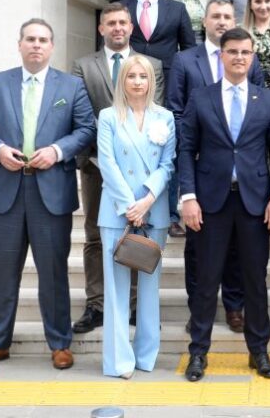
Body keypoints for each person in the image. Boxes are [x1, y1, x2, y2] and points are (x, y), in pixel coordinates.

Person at [0, 19, 96, 371]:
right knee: (3, 273)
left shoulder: (71, 86)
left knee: (53, 273)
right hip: (7, 191)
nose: (36, 45)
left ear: (51, 46)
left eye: (42, 40)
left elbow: (86, 128)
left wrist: (57, 150)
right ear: (20, 44)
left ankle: (59, 343)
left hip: (51, 191)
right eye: (30, 39)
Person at [178, 27, 270, 382]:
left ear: (252, 57)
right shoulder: (201, 97)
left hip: (255, 203)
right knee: (206, 280)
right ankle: (198, 353)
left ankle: (259, 351)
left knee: (255, 280)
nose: (239, 57)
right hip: (210, 203)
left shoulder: (267, 99)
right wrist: (188, 196)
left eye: (245, 52)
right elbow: (186, 148)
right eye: (233, 52)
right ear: (222, 55)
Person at [167, 0, 263, 333]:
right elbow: (175, 108)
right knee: (198, 250)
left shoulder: (248, 58)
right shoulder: (184, 60)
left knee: (236, 248)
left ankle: (235, 306)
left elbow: (257, 109)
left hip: (240, 176)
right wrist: (191, 147)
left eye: (227, 16)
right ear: (204, 21)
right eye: (216, 16)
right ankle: (199, 309)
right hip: (201, 166)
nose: (221, 21)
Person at [70, 2, 165, 334]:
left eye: (123, 22)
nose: (117, 28)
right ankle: (96, 304)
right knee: (95, 236)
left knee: (138, 233)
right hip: (97, 165)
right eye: (110, 23)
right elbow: (81, 114)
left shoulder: (152, 65)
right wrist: (102, 147)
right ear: (101, 28)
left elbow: (156, 110)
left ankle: (136, 304)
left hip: (142, 168)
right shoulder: (83, 66)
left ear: (131, 27)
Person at [96, 54, 176, 379]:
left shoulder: (165, 117)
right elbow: (107, 162)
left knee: (149, 285)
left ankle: (146, 355)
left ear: (151, 81)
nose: (138, 82)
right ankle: (119, 361)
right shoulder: (108, 116)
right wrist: (130, 205)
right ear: (122, 80)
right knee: (116, 289)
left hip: (153, 209)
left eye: (143, 76)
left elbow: (167, 164)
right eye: (132, 76)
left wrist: (146, 201)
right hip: (117, 210)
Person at [120, 0, 197, 83]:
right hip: (129, 79)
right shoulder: (120, 8)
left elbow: (189, 50)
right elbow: (108, 46)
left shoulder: (177, 9)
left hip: (168, 80)